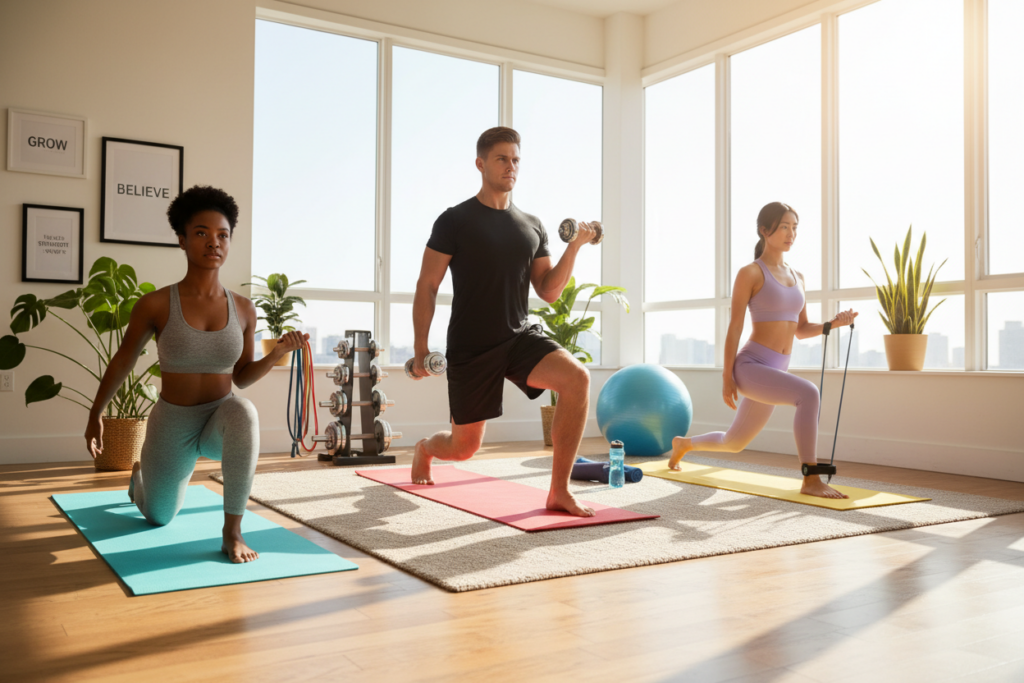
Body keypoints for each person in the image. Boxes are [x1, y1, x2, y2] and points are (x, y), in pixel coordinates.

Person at [84, 185, 307, 563]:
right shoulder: (155, 304)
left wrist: (279, 353)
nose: (213, 243)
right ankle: (141, 480)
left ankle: (232, 531)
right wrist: (96, 414)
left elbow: (242, 377)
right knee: (158, 517)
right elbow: (123, 359)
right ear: (182, 240)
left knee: (244, 412)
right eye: (201, 233)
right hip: (173, 422)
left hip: (220, 418)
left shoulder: (244, 310)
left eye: (223, 235)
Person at [409, 127, 598, 517]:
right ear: (480, 164)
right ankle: (427, 447)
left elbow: (547, 290)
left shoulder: (531, 224)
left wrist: (574, 248)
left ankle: (558, 491)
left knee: (576, 378)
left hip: (518, 337)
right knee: (464, 448)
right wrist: (420, 349)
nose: (510, 166)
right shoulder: (454, 220)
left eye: (515, 160)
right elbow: (428, 284)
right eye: (501, 158)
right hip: (471, 346)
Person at [668, 202, 857, 499]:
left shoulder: (799, 278)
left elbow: (802, 329)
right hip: (751, 367)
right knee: (808, 394)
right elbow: (734, 328)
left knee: (734, 442)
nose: (791, 233)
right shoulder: (751, 273)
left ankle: (684, 444)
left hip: (774, 370)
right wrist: (727, 376)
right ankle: (810, 479)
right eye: (784, 226)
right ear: (764, 231)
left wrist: (833, 324)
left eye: (794, 227)